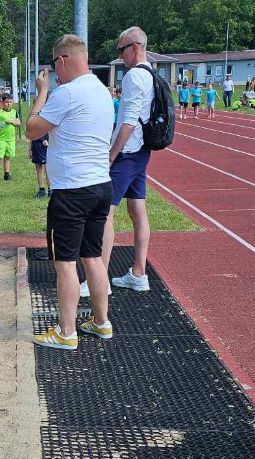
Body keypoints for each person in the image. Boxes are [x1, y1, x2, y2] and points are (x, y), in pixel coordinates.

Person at [26, 34, 114, 351]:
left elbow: (32, 129)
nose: (55, 72)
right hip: (100, 186)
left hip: (72, 192)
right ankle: (101, 322)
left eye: (55, 66)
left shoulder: (67, 93)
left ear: (62, 60)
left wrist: (42, 92)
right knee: (93, 257)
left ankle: (66, 332)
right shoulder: (102, 91)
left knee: (65, 263)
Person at [91, 26, 155, 296]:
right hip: (142, 151)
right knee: (137, 210)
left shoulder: (134, 77)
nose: (120, 56)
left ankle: (99, 280)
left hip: (127, 152)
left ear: (135, 47)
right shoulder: (151, 73)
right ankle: (139, 274)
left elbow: (128, 121)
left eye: (122, 50)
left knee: (105, 212)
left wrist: (111, 155)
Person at [30, 133, 48, 199]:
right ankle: (42, 190)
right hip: (36, 142)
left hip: (43, 142)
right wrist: (30, 148)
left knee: (47, 166)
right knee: (39, 166)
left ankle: (51, 190)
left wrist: (44, 139)